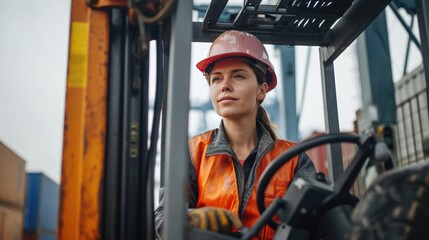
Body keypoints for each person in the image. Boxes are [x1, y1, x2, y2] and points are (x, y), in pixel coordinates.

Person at [155, 30, 316, 240]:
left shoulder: (294, 159)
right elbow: (162, 219)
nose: (225, 86)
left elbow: (315, 226)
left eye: (238, 76)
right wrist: (188, 219)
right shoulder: (194, 153)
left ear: (262, 90)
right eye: (216, 79)